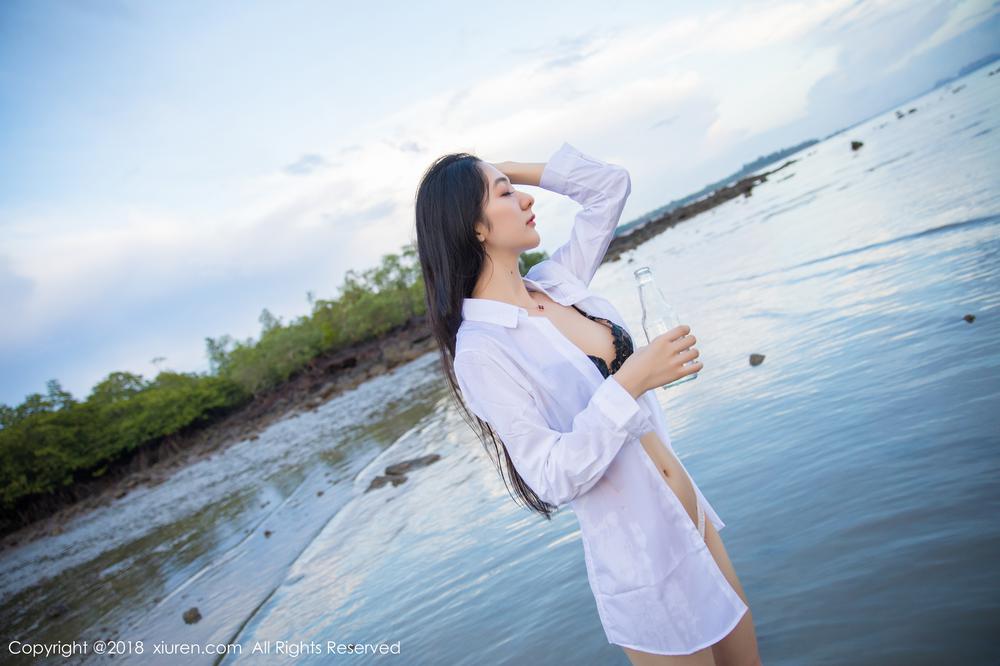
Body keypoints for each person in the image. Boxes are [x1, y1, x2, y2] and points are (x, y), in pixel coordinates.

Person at [414, 141, 762, 665]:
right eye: (506, 194)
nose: (527, 199)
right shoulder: (483, 350)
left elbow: (610, 187)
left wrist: (504, 170)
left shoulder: (557, 283)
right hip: (642, 558)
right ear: (476, 227)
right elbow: (549, 476)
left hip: (690, 512)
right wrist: (630, 382)